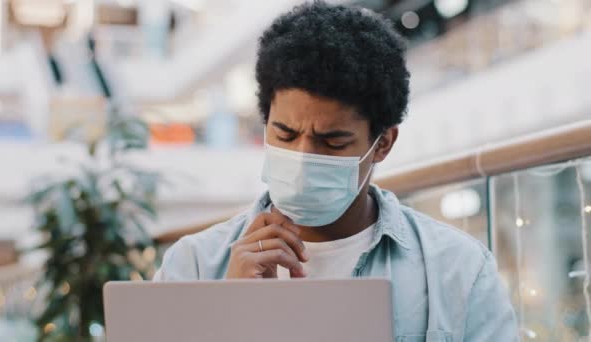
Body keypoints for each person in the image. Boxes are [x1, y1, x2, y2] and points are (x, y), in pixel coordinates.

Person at [154, 1, 519, 340]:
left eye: (332, 142)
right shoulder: (194, 265)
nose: (302, 156)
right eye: (285, 134)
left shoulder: (457, 270)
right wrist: (231, 316)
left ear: (383, 144)